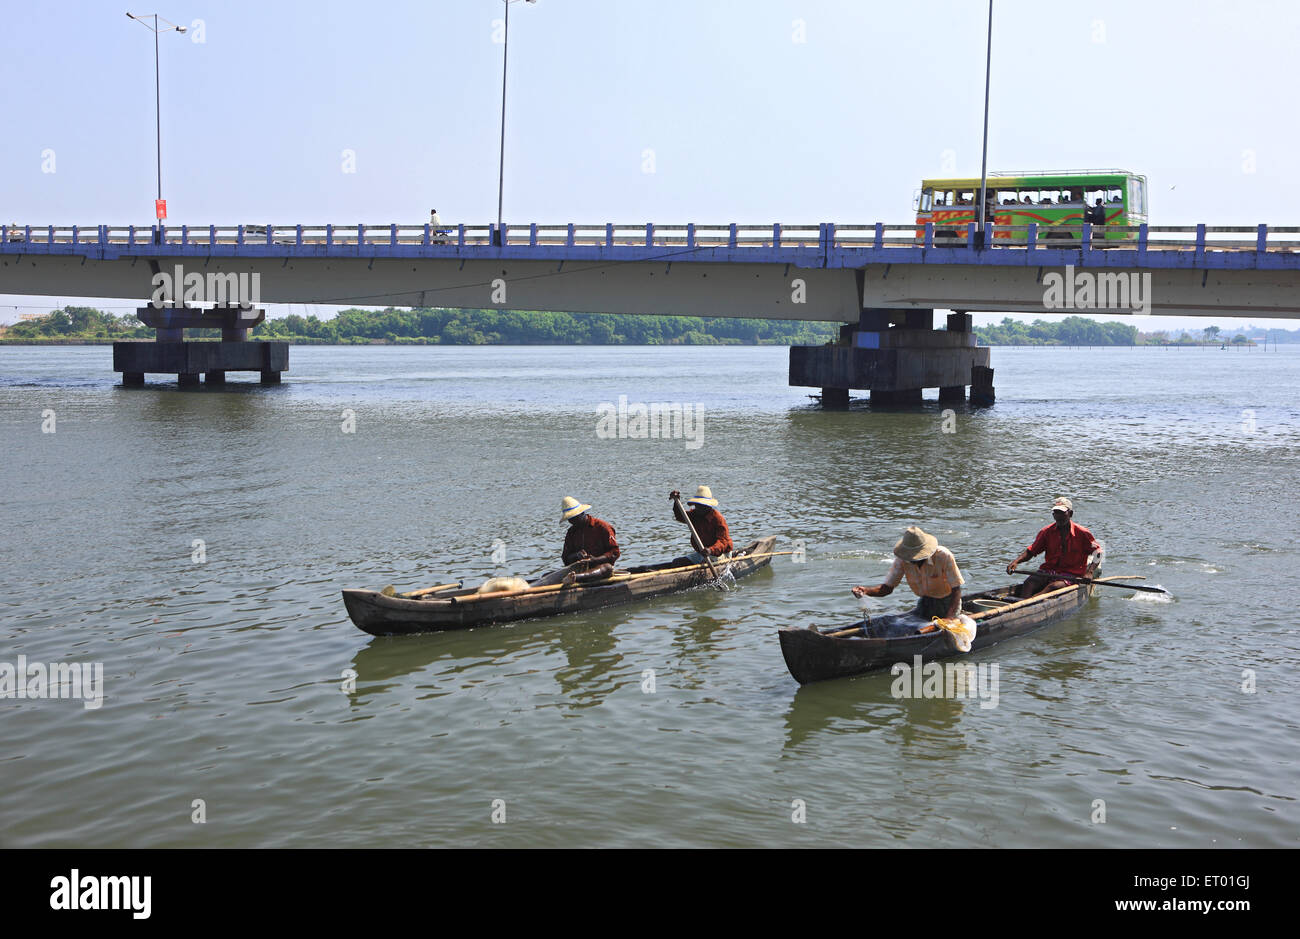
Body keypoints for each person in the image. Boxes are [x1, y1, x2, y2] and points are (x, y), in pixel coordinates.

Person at [852, 526, 964, 621]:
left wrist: (949, 618)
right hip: (926, 602)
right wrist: (866, 591)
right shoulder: (903, 560)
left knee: (944, 629)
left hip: (949, 603)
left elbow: (956, 590)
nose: (913, 561)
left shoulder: (943, 556)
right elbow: (886, 589)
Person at [1006, 497, 1101, 598]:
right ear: (1053, 515)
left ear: (1070, 514)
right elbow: (1031, 551)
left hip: (1072, 574)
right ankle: (1021, 604)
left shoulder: (1082, 533)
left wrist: (1090, 572)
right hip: (1049, 571)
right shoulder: (1046, 532)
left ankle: (1032, 603)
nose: (1058, 516)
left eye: (1062, 513)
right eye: (1056, 513)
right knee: (1029, 583)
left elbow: (1098, 552)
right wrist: (1016, 561)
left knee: (1053, 587)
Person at [669, 486, 732, 562]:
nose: (698, 508)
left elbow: (723, 542)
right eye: (697, 505)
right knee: (677, 562)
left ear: (708, 506)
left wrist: (710, 550)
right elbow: (681, 516)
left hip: (720, 554)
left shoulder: (718, 519)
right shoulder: (695, 514)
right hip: (702, 554)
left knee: (705, 562)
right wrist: (676, 502)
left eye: (702, 505)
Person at [560, 496, 620, 566]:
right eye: (569, 519)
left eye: (574, 518)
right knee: (546, 575)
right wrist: (576, 556)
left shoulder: (602, 527)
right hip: (579, 569)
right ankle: (576, 576)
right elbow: (565, 558)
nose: (572, 521)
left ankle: (578, 577)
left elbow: (615, 552)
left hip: (601, 568)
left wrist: (595, 560)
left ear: (582, 513)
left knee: (607, 568)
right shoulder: (571, 532)